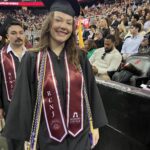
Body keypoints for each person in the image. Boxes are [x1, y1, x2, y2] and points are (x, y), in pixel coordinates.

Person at [3, 0, 108, 150]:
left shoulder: (79, 57)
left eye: (68, 22)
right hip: (47, 137)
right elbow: (23, 100)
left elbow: (91, 91)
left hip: (80, 135)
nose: (63, 26)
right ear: (49, 23)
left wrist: (95, 125)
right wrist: (26, 138)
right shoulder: (32, 59)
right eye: (58, 20)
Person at [0, 16, 26, 120]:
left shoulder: (33, 56)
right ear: (7, 36)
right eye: (13, 33)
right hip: (9, 105)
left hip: (30, 105)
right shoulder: (1, 57)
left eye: (21, 33)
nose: (18, 36)